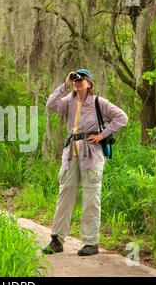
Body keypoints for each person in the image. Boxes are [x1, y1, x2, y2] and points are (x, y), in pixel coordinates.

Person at [43, 68, 128, 256]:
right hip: (72, 149)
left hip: (91, 151)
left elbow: (122, 118)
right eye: (75, 79)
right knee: (65, 193)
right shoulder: (67, 102)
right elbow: (50, 105)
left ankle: (91, 242)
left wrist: (102, 135)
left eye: (82, 79)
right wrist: (64, 85)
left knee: (91, 197)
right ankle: (57, 239)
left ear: (89, 83)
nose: (77, 81)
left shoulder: (99, 103)